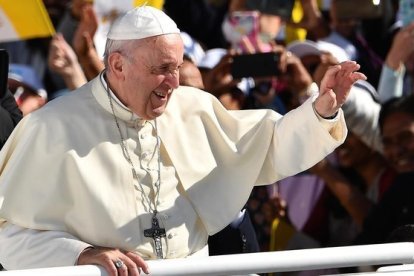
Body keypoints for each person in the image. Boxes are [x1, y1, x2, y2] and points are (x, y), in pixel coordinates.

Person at [0, 5, 366, 275]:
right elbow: (8, 233)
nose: (174, 83)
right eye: (161, 70)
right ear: (117, 66)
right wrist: (80, 254)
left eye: (177, 67)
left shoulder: (193, 107)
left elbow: (268, 145)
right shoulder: (52, 127)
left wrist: (320, 111)